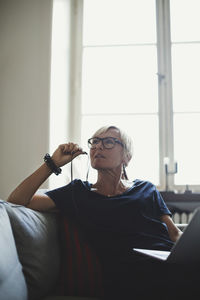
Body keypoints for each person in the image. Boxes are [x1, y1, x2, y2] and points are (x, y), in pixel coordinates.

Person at [7, 125, 198, 299]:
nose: (98, 147)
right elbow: (16, 200)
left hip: (170, 265)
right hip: (130, 280)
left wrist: (189, 253)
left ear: (126, 157)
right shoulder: (78, 193)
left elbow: (174, 233)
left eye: (108, 142)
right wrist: (52, 163)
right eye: (95, 142)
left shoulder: (146, 188)